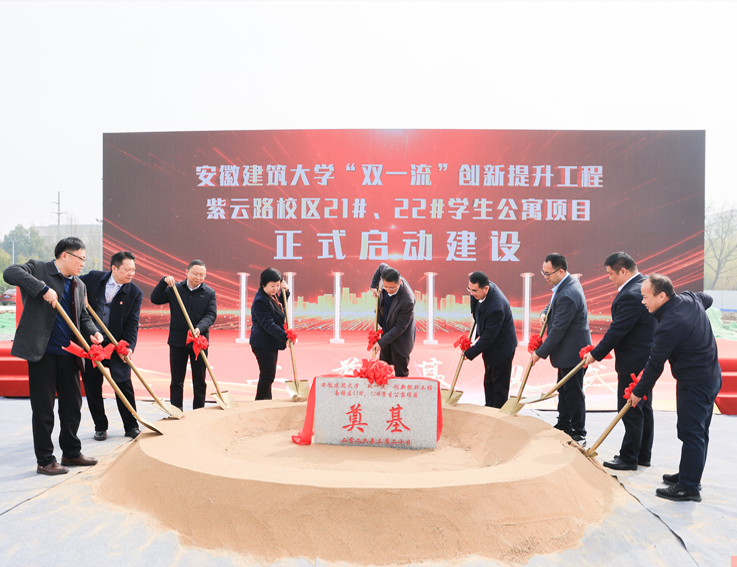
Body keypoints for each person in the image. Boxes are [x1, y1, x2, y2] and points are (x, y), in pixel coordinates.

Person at [3, 237, 103, 475]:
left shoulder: (79, 284)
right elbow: (10, 272)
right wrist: (43, 289)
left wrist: (93, 332)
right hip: (43, 353)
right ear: (65, 255)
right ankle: (45, 460)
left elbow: (83, 316)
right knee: (44, 409)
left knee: (72, 406)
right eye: (80, 258)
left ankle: (71, 452)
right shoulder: (39, 269)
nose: (83, 263)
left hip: (70, 354)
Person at [630, 274, 722, 502]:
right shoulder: (691, 298)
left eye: (646, 297)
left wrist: (638, 392)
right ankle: (690, 474)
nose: (643, 301)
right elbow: (708, 299)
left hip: (695, 384)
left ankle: (689, 488)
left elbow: (655, 364)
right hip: (711, 377)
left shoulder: (669, 325)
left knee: (691, 433)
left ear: (662, 296)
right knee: (699, 432)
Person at [583, 253, 656, 471]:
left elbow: (617, 331)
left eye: (611, 274)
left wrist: (595, 354)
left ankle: (629, 457)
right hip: (648, 358)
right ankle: (643, 455)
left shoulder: (631, 295)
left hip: (633, 361)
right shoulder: (646, 286)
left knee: (630, 408)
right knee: (644, 407)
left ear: (623, 271)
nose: (609, 279)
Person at [80, 251, 142, 440]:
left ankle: (131, 425)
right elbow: (72, 284)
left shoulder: (134, 292)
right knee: (92, 385)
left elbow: (132, 322)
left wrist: (129, 347)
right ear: (114, 268)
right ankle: (100, 426)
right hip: (92, 343)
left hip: (116, 344)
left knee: (123, 383)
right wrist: (79, 296)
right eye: (127, 269)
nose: (131, 273)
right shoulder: (92, 278)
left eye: (134, 270)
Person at [531, 253, 591, 445]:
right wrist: (545, 312)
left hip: (573, 352)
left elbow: (557, 330)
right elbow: (553, 301)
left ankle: (578, 430)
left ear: (561, 271)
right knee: (564, 390)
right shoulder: (566, 284)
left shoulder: (568, 294)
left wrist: (539, 353)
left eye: (548, 273)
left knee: (573, 392)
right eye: (543, 272)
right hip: (567, 351)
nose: (545, 277)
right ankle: (564, 423)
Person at [150, 260, 217, 411]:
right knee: (176, 379)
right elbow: (155, 299)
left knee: (199, 379)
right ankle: (176, 410)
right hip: (177, 340)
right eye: (195, 273)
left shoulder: (209, 293)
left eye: (202, 275)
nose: (198, 277)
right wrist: (163, 282)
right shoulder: (175, 288)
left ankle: (199, 410)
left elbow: (211, 314)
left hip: (198, 341)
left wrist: (200, 327)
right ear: (186, 272)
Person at [462, 271, 519, 408]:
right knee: (488, 381)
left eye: (474, 291)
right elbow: (476, 312)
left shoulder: (496, 307)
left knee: (499, 385)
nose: (472, 293)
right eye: (469, 289)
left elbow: (489, 336)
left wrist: (470, 353)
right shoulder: (477, 292)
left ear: (486, 288)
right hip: (490, 345)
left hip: (502, 348)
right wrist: (472, 339)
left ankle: (497, 413)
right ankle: (488, 408)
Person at [249, 268, 290, 400]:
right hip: (262, 343)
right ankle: (260, 403)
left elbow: (279, 308)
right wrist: (285, 336)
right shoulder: (260, 301)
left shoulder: (271, 295)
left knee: (268, 375)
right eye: (273, 286)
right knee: (267, 375)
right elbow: (268, 324)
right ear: (263, 284)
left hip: (270, 342)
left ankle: (267, 402)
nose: (276, 289)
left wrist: (285, 292)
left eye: (278, 285)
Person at [369, 263, 416, 377]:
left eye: (392, 288)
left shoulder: (407, 300)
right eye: (385, 287)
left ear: (399, 282)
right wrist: (374, 286)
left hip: (401, 337)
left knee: (400, 370)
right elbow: (381, 267)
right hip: (387, 327)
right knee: (383, 366)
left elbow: (400, 327)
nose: (388, 290)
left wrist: (381, 342)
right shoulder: (387, 272)